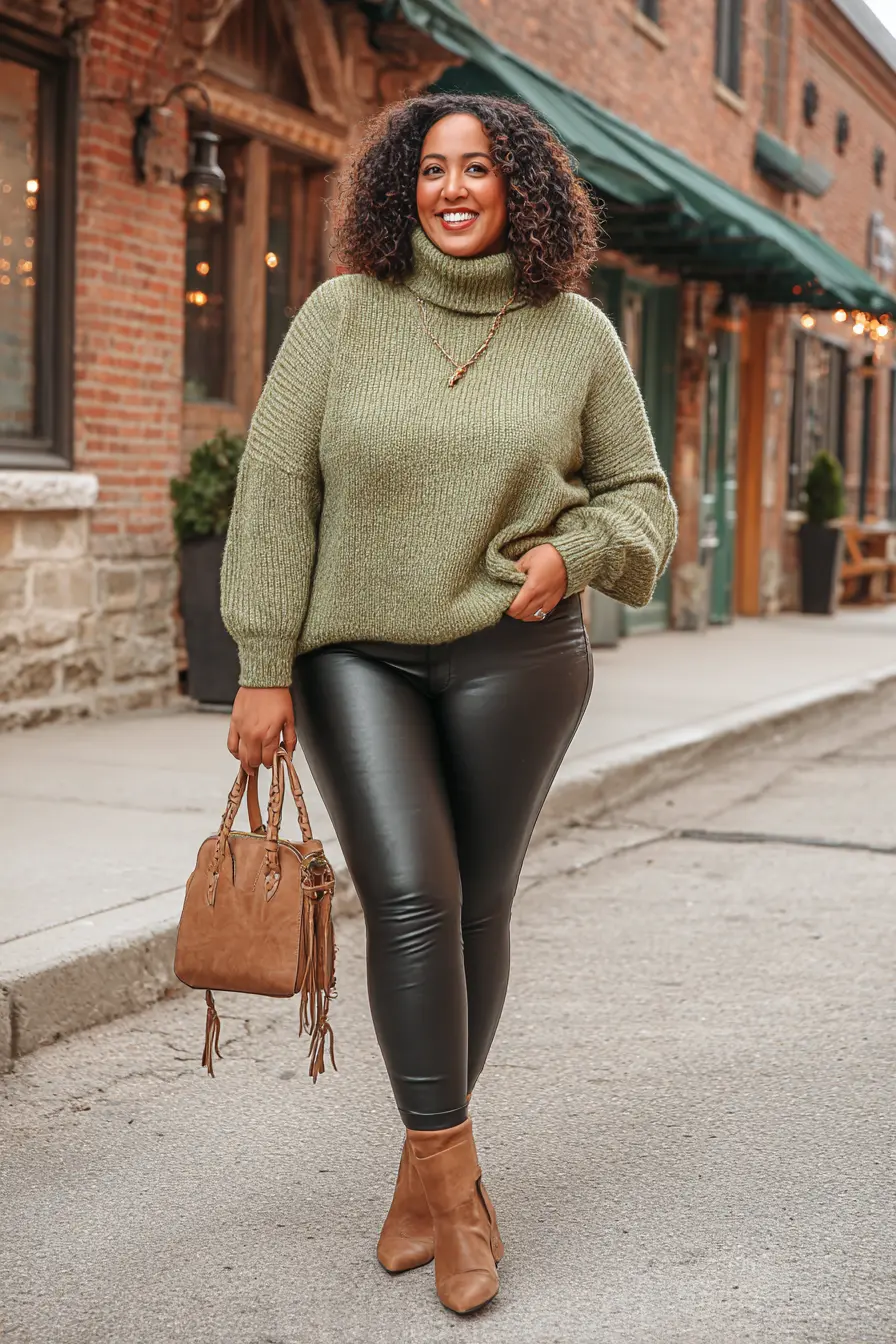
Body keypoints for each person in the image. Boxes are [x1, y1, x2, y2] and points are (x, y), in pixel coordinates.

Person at [221, 92, 677, 1317]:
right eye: (430, 170)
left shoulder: (574, 332)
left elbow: (640, 497)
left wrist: (568, 558)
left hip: (514, 654)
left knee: (478, 903)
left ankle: (425, 1168)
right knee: (413, 896)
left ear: (519, 186)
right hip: (353, 655)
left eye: (478, 168)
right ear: (399, 190)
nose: (453, 189)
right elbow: (276, 489)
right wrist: (263, 660)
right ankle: (461, 1193)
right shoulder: (338, 316)